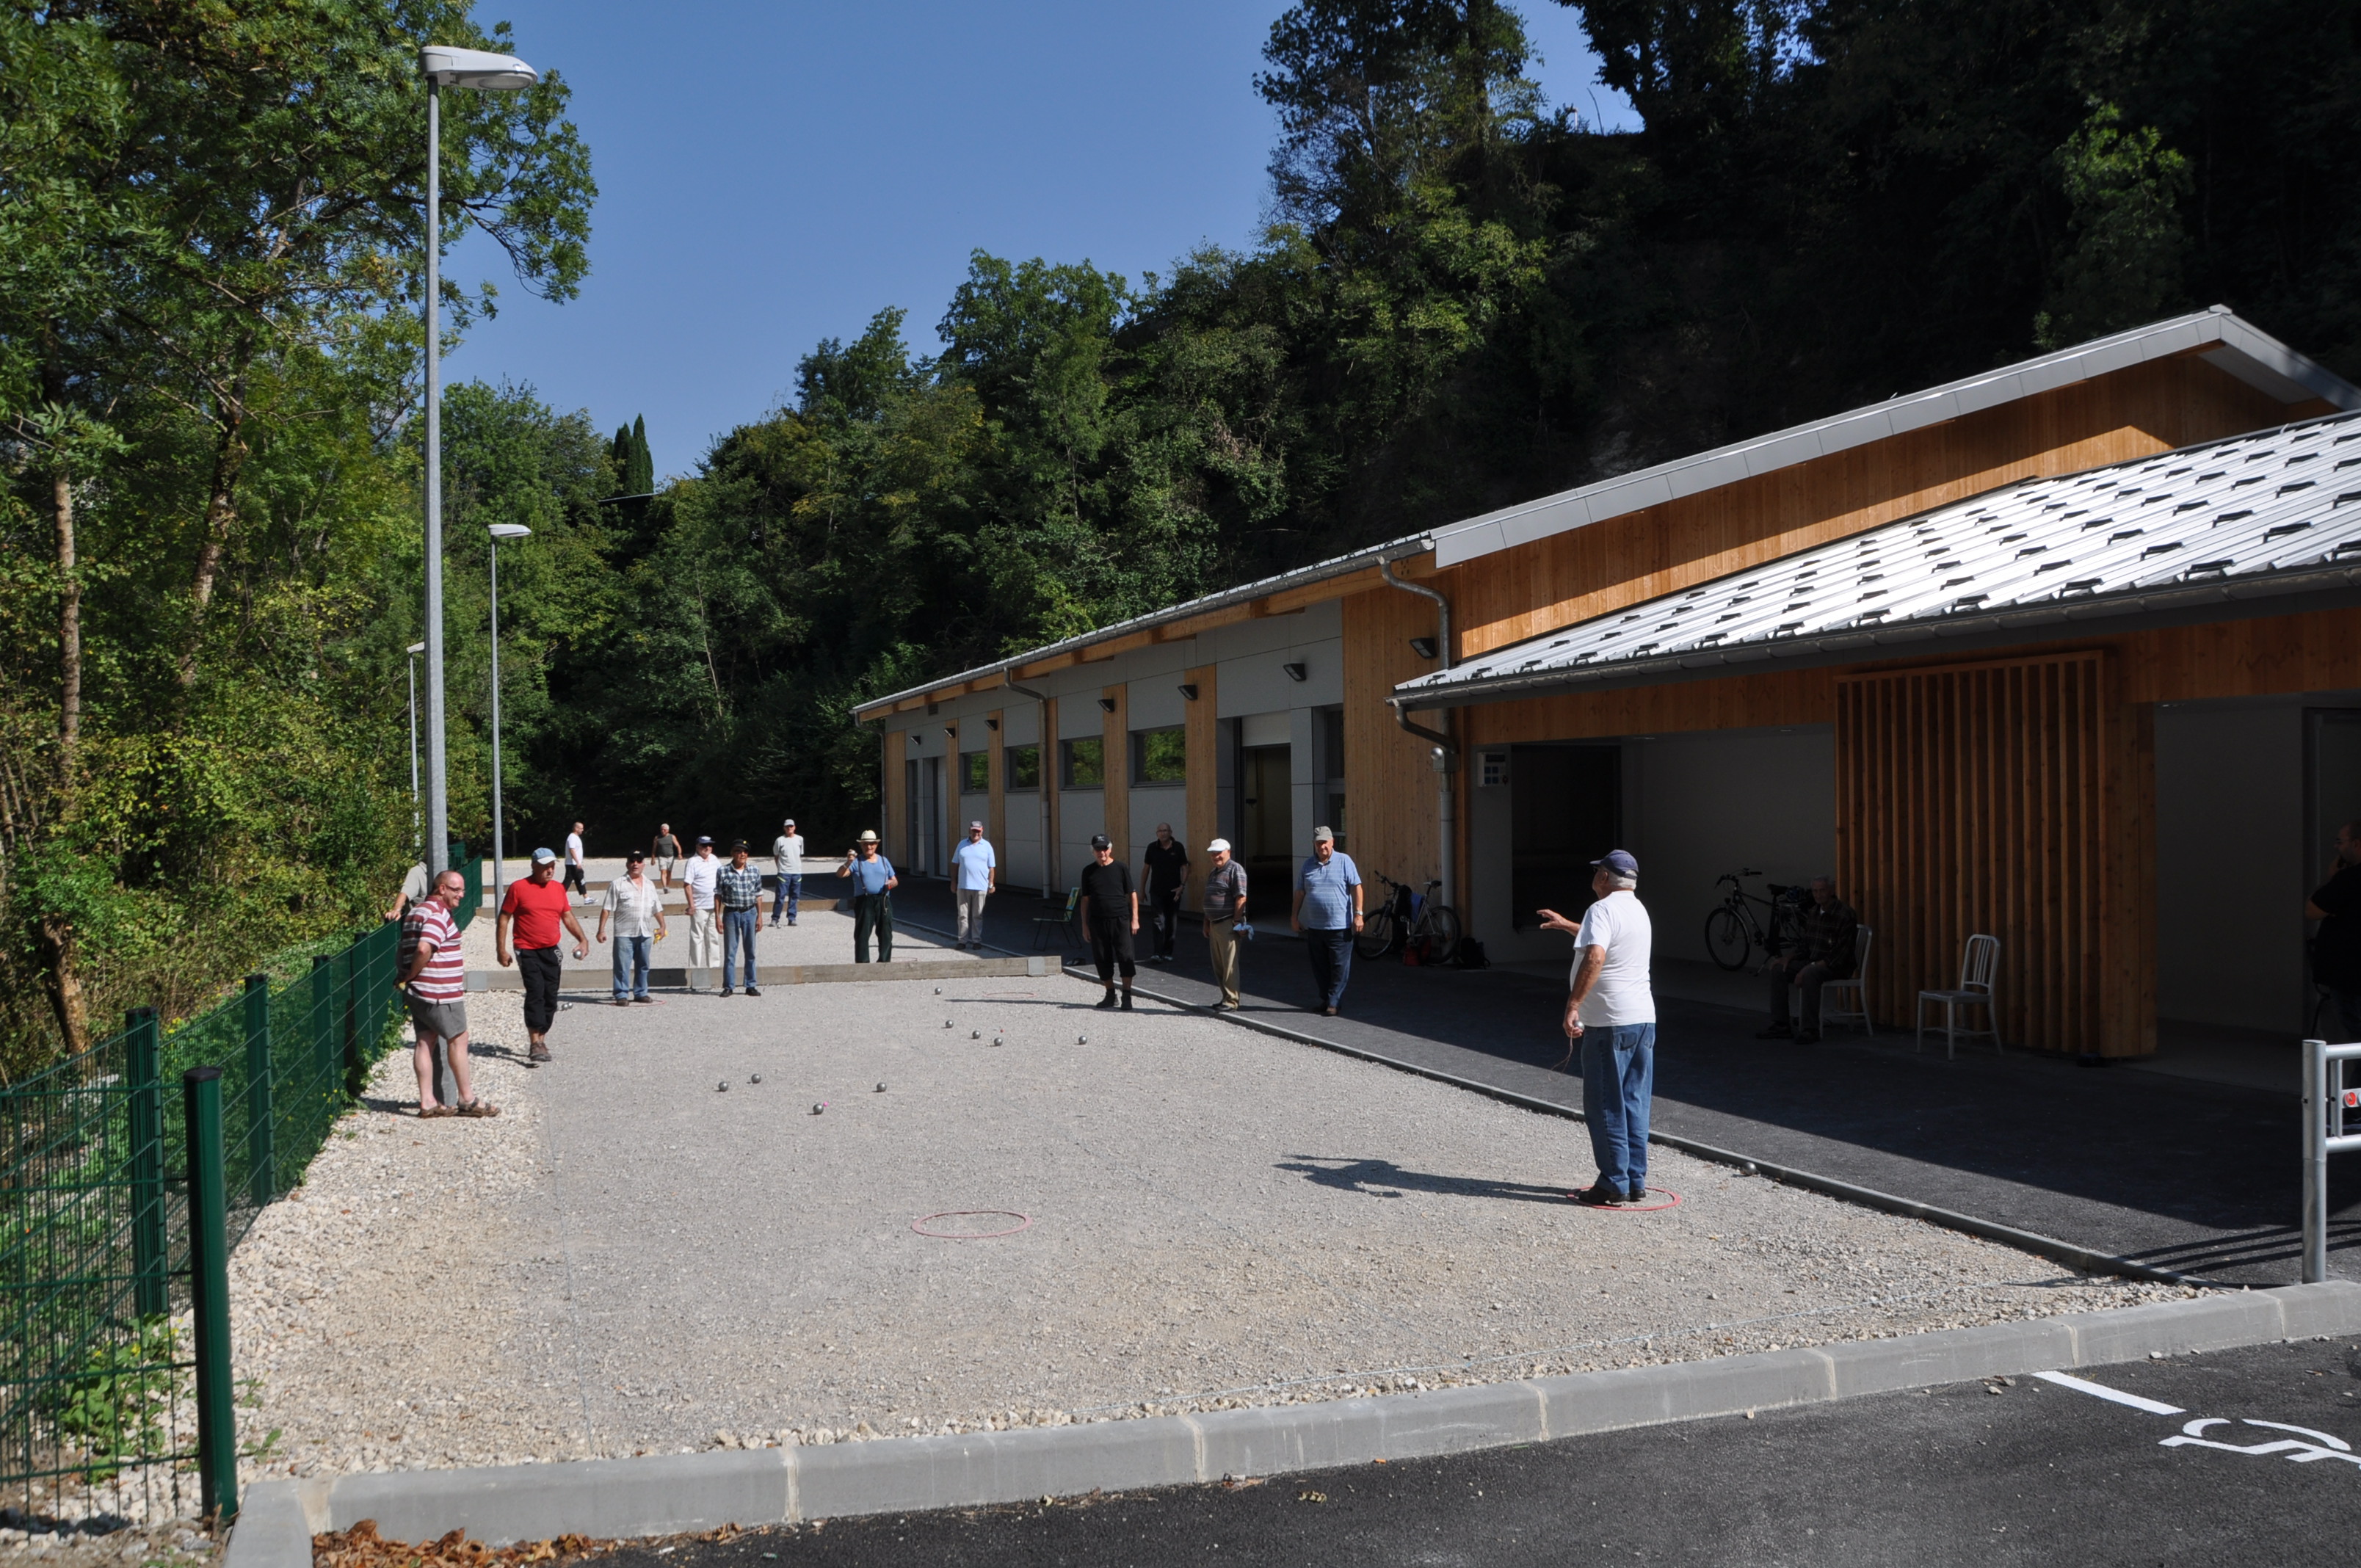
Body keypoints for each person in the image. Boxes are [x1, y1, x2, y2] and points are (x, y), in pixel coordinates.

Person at [1539, 850, 1655, 1205]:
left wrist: (1574, 1005)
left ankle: (1612, 1183)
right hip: (1642, 1019)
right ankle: (1635, 1180)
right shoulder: (1637, 909)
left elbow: (1597, 954)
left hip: (1609, 1022)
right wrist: (1567, 925)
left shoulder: (1601, 910)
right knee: (1634, 1101)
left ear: (1605, 877)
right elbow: (1603, 941)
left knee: (1605, 1103)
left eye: (1597, 872)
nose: (1594, 877)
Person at [397, 868, 496, 1117]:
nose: (462, 895)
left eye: (463, 890)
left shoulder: (415, 912)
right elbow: (423, 948)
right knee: (459, 1039)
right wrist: (412, 974)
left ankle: (428, 1102)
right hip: (440, 991)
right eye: (456, 890)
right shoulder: (438, 914)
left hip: (418, 992)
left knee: (424, 1041)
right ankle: (467, 1098)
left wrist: (408, 979)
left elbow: (406, 947)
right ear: (441, 889)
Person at [498, 847, 587, 1064]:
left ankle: (542, 1039)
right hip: (527, 948)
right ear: (533, 866)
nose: (550, 870)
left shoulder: (558, 889)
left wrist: (583, 939)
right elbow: (504, 918)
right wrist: (501, 949)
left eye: (552, 866)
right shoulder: (519, 888)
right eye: (545, 867)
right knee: (536, 992)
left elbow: (567, 916)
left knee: (550, 996)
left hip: (551, 949)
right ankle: (534, 1042)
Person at [1757, 876, 1860, 1044]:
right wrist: (1787, 958)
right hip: (1813, 961)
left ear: (1832, 891)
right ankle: (1781, 1024)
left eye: (1822, 890)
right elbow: (1805, 945)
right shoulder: (1813, 912)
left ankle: (1810, 1029)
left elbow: (1841, 954)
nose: (1818, 895)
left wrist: (1808, 968)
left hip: (1836, 965)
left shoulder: (1845, 914)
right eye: (1815, 891)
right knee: (1778, 970)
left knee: (1811, 974)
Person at [1290, 826, 1363, 1017]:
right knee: (1320, 967)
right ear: (1314, 844)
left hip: (1340, 927)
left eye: (1325, 842)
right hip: (1315, 927)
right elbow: (1300, 892)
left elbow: (1357, 887)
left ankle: (1334, 1001)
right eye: (1318, 843)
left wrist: (1358, 914)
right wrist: (1294, 917)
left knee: (1339, 967)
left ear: (1332, 842)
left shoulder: (1345, 861)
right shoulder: (1308, 865)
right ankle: (1326, 998)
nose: (1322, 846)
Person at [2308, 820, 2361, 1042]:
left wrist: (2331, 881)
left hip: (2351, 976)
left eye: (2340, 842)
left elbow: (2313, 910)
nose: (2336, 848)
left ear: (2357, 844)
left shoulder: (2349, 879)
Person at [595, 849, 668, 1005]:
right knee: (622, 965)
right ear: (627, 863)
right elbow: (607, 908)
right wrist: (601, 929)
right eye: (632, 861)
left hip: (645, 931)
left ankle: (641, 992)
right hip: (624, 932)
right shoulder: (617, 884)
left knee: (644, 965)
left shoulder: (650, 884)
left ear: (644, 864)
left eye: (639, 861)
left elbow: (656, 907)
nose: (635, 864)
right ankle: (621, 994)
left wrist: (662, 925)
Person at [1078, 832, 1139, 1010]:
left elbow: (1132, 894)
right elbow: (1085, 899)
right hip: (1097, 921)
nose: (1101, 852)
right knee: (1102, 958)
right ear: (1093, 851)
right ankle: (1110, 994)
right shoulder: (1088, 871)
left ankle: (1127, 995)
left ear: (1110, 849)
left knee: (1126, 957)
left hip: (1120, 919)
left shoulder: (1121, 868)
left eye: (1104, 849)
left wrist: (1135, 919)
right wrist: (1084, 925)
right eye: (1098, 849)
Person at [1201, 838, 1248, 1010]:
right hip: (1215, 924)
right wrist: (1206, 922)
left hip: (1228, 923)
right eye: (1213, 853)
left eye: (1219, 853)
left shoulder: (1236, 870)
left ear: (1228, 851)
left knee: (1229, 965)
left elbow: (1241, 897)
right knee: (1219, 965)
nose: (1215, 856)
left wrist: (1237, 921)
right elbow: (1209, 898)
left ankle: (1231, 1001)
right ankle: (1225, 997)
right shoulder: (1214, 872)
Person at [838, 830, 897, 962]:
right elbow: (841, 874)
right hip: (864, 900)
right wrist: (848, 862)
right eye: (865, 844)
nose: (869, 847)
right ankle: (863, 963)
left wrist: (891, 883)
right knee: (862, 934)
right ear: (861, 846)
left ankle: (884, 961)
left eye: (871, 844)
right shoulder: (856, 862)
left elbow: (895, 880)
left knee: (885, 933)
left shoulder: (883, 860)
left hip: (883, 900)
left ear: (876, 845)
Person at [717, 839, 766, 997]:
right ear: (732, 853)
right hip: (731, 913)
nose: (742, 854)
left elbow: (759, 894)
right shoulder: (723, 871)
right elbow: (718, 895)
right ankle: (728, 986)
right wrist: (717, 917)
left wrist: (760, 917)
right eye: (738, 851)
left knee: (750, 951)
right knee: (730, 952)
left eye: (745, 851)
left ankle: (750, 985)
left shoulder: (754, 870)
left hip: (750, 913)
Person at [1142, 822, 1189, 962]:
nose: (1163, 833)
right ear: (1157, 833)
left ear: (1171, 832)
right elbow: (1146, 869)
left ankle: (1168, 952)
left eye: (1165, 830)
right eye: (1160, 831)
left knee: (1171, 921)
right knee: (1157, 921)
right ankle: (1157, 952)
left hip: (1174, 891)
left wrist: (1182, 886)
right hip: (1156, 890)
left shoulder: (1178, 847)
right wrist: (1142, 890)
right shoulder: (1152, 848)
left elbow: (1185, 868)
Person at [680, 835, 722, 989]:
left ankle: (715, 971)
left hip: (714, 906)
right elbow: (687, 885)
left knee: (713, 937)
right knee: (697, 938)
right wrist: (691, 905)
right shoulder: (692, 862)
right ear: (698, 847)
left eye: (710, 845)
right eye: (705, 845)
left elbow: (721, 880)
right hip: (699, 907)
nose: (708, 848)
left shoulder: (715, 859)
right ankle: (695, 971)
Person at [949, 821, 997, 948]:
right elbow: (955, 864)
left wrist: (991, 884)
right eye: (973, 830)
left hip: (981, 886)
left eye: (978, 831)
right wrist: (953, 881)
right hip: (963, 885)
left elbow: (991, 867)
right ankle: (962, 941)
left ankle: (976, 941)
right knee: (962, 915)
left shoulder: (987, 846)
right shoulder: (962, 844)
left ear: (982, 830)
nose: (976, 833)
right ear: (969, 830)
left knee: (977, 915)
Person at [771, 818, 805, 928]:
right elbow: (776, 856)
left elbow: (800, 855)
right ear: (784, 828)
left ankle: (792, 918)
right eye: (787, 827)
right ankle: (775, 918)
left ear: (794, 827)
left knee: (794, 896)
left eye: (791, 826)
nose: (789, 828)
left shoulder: (800, 839)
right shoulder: (780, 840)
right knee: (780, 897)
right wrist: (780, 868)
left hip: (797, 873)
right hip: (783, 872)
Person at [384, 859, 430, 923]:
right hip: (418, 927)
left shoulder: (444, 873)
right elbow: (405, 893)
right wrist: (396, 910)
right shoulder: (417, 872)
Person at [651, 822, 681, 891]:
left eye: (664, 830)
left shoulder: (672, 837)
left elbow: (678, 846)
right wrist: (653, 858)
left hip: (671, 857)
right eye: (661, 829)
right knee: (663, 872)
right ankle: (664, 887)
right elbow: (654, 849)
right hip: (662, 857)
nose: (663, 831)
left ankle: (667, 885)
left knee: (669, 872)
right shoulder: (657, 838)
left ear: (668, 830)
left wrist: (679, 854)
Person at [563, 821, 588, 900]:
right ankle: (560, 897)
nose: (582, 830)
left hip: (575, 864)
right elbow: (572, 850)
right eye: (581, 828)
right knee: (567, 882)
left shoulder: (576, 837)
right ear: (576, 828)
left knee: (580, 879)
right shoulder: (572, 837)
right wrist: (577, 862)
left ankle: (586, 898)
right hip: (572, 864)